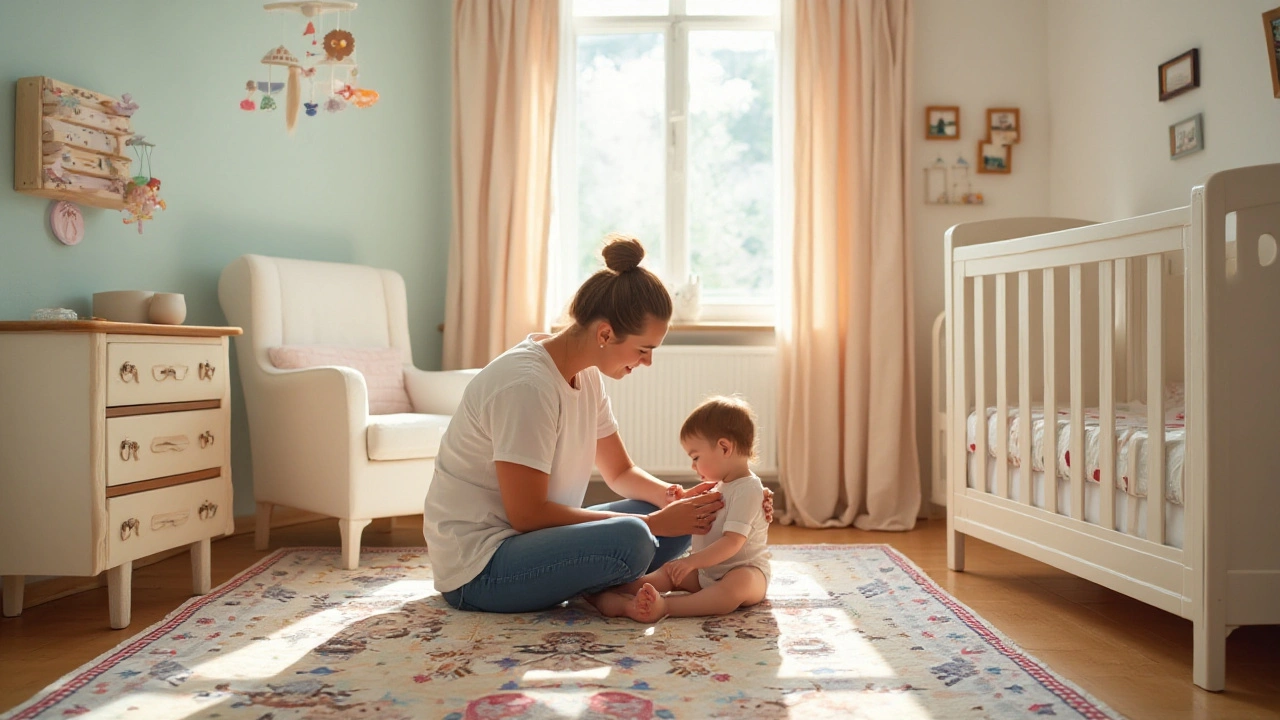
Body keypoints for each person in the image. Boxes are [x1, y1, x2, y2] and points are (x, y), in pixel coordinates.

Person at [423, 234, 773, 613]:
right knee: (638, 536)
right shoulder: (527, 386)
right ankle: (601, 580)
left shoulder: (586, 375)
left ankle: (599, 582)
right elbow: (527, 515)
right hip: (481, 568)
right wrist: (655, 522)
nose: (647, 363)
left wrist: (721, 497)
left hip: (534, 540)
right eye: (643, 350)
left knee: (684, 522)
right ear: (605, 333)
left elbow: (620, 470)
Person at [589, 396, 771, 622]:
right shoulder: (720, 484)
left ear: (724, 447)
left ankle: (667, 606)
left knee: (734, 589)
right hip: (707, 571)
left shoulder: (748, 489)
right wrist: (680, 498)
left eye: (695, 457)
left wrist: (691, 562)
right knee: (670, 571)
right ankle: (619, 592)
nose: (692, 466)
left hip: (745, 570)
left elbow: (732, 542)